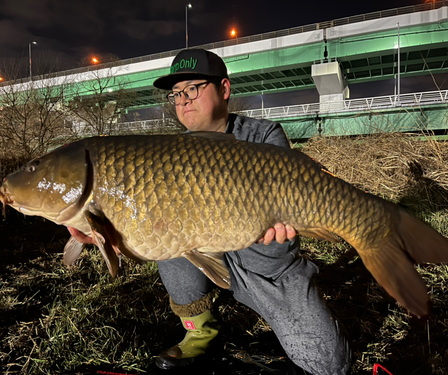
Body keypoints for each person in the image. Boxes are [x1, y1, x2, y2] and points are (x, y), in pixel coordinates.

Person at [68, 49, 351, 375]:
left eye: (192, 89)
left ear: (224, 90)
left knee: (331, 364)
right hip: (204, 257)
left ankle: (273, 308)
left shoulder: (264, 135)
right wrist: (102, 227)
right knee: (166, 225)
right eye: (176, 94)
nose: (183, 100)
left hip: (266, 267)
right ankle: (200, 328)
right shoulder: (168, 156)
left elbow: (288, 202)